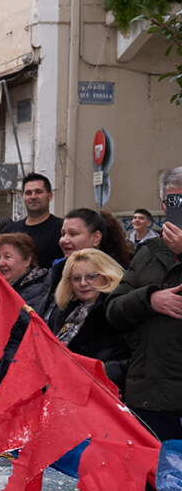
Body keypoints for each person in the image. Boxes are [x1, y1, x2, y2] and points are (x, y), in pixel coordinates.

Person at [107, 166, 182, 442]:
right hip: (151, 396)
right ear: (164, 206)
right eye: (175, 201)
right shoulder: (149, 252)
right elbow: (114, 310)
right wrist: (149, 299)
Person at [0, 233, 52, 411]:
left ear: (28, 260)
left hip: (16, 386)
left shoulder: (40, 291)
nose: (0, 263)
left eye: (7, 257)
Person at [43, 248, 131, 395]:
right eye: (76, 278)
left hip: (104, 395)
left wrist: (105, 371)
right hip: (63, 393)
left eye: (91, 277)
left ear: (107, 276)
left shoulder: (120, 309)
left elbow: (143, 360)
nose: (83, 283)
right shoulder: (64, 311)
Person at [10, 173, 65, 269]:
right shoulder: (10, 231)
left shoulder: (63, 230)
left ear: (50, 196)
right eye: (28, 193)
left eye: (38, 192)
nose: (33, 196)